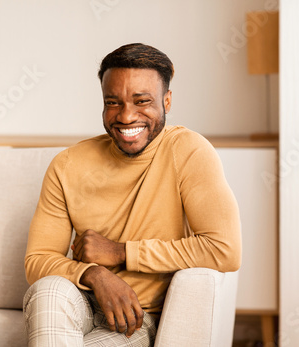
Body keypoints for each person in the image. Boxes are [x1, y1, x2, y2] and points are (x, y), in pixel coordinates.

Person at [23, 43, 241, 346]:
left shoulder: (188, 151)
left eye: (142, 101)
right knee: (48, 290)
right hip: (79, 301)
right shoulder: (68, 164)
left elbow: (224, 249)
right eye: (113, 102)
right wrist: (95, 275)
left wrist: (121, 252)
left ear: (166, 101)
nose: (126, 117)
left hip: (138, 318)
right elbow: (37, 260)